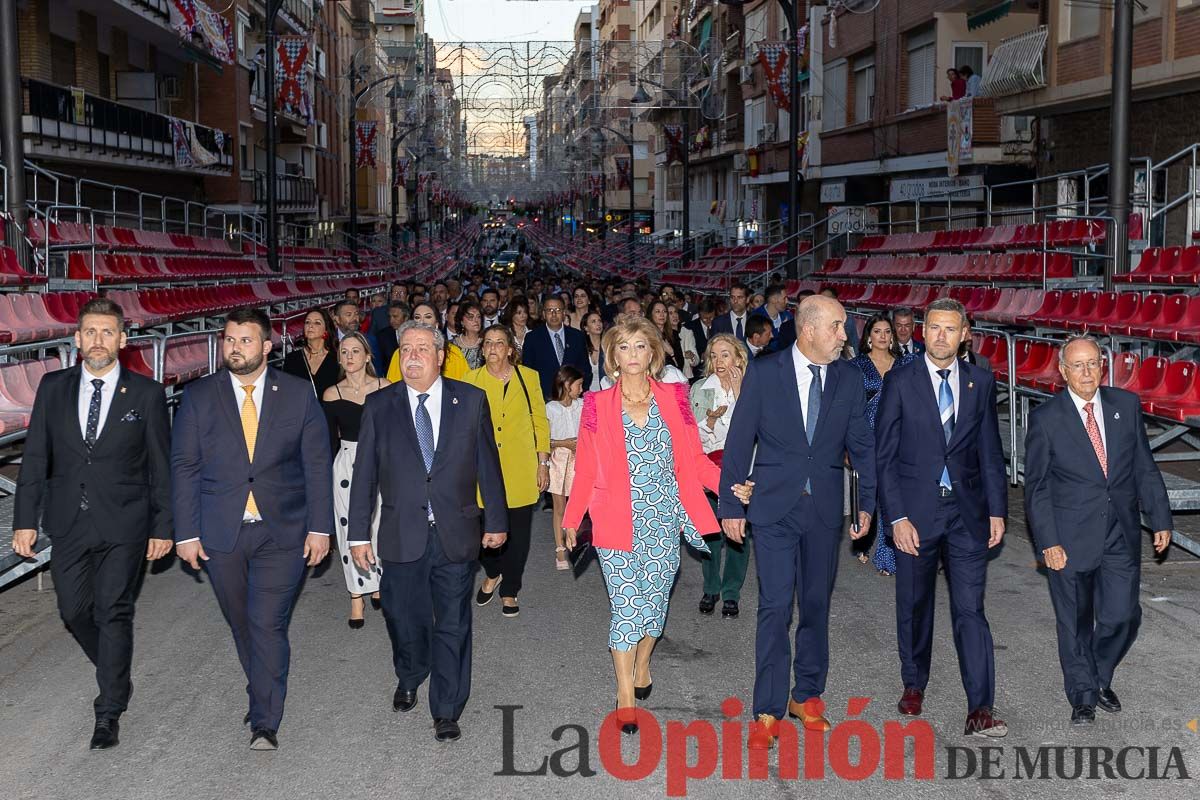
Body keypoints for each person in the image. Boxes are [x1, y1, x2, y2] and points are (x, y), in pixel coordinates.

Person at [563, 317, 752, 735]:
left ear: (653, 354)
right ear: (613, 356)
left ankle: (644, 661)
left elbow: (694, 461)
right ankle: (625, 696)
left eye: (640, 347)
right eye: (624, 347)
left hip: (665, 518)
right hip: (616, 520)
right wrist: (572, 518)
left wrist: (731, 487)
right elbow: (586, 469)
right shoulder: (596, 405)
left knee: (655, 605)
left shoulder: (675, 397)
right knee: (626, 607)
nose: (632, 355)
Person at [12, 299, 172, 751]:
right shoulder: (52, 387)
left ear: (123, 340)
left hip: (125, 521)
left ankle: (109, 709)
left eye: (107, 332)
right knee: (73, 611)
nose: (98, 340)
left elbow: (161, 467)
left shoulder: (146, 394)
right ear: (77, 339)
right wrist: (25, 520)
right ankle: (114, 670)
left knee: (112, 609)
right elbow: (36, 456)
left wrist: (163, 526)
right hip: (67, 521)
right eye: (90, 332)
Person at [172, 308, 333, 751]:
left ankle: (265, 719)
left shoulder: (298, 394)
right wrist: (185, 532)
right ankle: (260, 684)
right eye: (229, 340)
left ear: (267, 346)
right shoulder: (200, 396)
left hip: (282, 530)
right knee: (242, 622)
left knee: (267, 622)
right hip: (221, 531)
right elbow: (184, 465)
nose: (236, 348)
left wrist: (320, 527)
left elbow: (316, 464)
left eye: (245, 340)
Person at [719, 294, 876, 748]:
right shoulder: (766, 372)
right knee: (773, 607)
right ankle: (767, 708)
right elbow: (739, 441)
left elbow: (862, 445)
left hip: (824, 510)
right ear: (808, 329)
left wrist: (867, 503)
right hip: (772, 507)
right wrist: (731, 507)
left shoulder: (849, 377)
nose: (846, 335)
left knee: (816, 606)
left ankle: (805, 695)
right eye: (838, 326)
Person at [347, 321, 507, 744]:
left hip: (454, 532)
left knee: (453, 622)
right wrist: (357, 533)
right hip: (400, 533)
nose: (413, 355)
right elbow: (364, 474)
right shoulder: (380, 405)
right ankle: (411, 672)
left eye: (423, 348)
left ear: (440, 356)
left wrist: (496, 522)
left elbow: (487, 463)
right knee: (403, 617)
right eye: (405, 348)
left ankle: (447, 708)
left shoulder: (470, 400)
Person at [875, 298, 1008, 738]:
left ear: (964, 333)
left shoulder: (981, 383)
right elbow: (886, 457)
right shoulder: (900, 380)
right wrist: (897, 518)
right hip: (916, 514)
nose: (941, 336)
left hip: (967, 514)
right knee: (914, 605)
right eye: (934, 328)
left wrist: (997, 510)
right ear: (922, 331)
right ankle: (914, 682)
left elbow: (990, 452)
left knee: (971, 609)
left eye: (950, 329)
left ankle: (981, 706)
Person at [1024, 335, 1171, 726]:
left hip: (1120, 531)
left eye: (1093, 363)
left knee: (1123, 615)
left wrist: (1160, 517)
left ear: (1102, 367)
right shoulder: (1046, 419)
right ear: (1063, 370)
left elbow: (1143, 465)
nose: (1087, 372)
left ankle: (1098, 674)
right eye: (1078, 365)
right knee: (1074, 622)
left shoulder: (1125, 406)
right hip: (1068, 537)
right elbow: (1036, 488)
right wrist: (1047, 542)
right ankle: (1083, 695)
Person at [464, 326, 550, 618]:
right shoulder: (470, 380)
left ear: (510, 349)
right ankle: (493, 571)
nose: (492, 348)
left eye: (499, 343)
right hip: (480, 469)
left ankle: (510, 588)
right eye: (488, 343)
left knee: (518, 534)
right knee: (477, 531)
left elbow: (540, 421)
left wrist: (542, 462)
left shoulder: (529, 378)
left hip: (521, 467)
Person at [323, 332, 389, 629]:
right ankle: (355, 596)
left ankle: (376, 582)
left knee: (377, 525)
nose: (349, 357)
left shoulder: (385, 388)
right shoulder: (331, 394)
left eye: (355, 351)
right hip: (347, 465)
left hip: (380, 461)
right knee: (349, 528)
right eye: (344, 352)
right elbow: (327, 441)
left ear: (368, 356)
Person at [690, 334, 750, 618]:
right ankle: (711, 587)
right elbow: (693, 437)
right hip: (709, 468)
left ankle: (731, 593)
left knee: (738, 533)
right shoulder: (702, 388)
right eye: (714, 355)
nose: (719, 361)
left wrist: (739, 390)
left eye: (725, 354)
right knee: (710, 529)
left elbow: (755, 428)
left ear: (738, 358)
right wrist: (711, 419)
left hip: (742, 469)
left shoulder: (752, 387)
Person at [849, 315, 915, 576]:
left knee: (891, 491)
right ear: (868, 336)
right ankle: (863, 539)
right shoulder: (857, 366)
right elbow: (851, 408)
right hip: (867, 436)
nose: (884, 336)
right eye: (877, 331)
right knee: (869, 489)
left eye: (888, 331)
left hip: (898, 436)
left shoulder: (904, 365)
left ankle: (888, 552)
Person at [546, 365, 584, 571]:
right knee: (559, 506)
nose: (581, 389)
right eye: (578, 385)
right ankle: (560, 547)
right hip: (559, 460)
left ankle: (577, 541)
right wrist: (564, 443)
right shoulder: (550, 409)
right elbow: (543, 441)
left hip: (581, 459)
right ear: (567, 385)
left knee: (579, 504)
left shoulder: (583, 405)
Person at [522, 295, 592, 400]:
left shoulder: (577, 336)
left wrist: (578, 392)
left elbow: (585, 369)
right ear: (543, 314)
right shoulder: (532, 338)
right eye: (549, 310)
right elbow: (527, 371)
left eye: (558, 310)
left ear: (564, 313)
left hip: (573, 399)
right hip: (544, 400)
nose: (554, 314)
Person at [386, 303, 470, 382]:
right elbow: (393, 390)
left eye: (428, 317)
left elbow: (465, 386)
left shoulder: (453, 352)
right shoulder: (401, 353)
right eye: (417, 317)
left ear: (437, 324)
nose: (422, 321)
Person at [282, 308, 341, 400]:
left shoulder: (337, 359)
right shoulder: (292, 359)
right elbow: (285, 392)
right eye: (307, 322)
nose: (310, 326)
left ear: (326, 329)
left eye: (317, 323)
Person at [333, 300, 383, 374]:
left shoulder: (370, 340)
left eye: (356, 314)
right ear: (337, 319)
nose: (354, 318)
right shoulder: (329, 341)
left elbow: (377, 371)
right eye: (348, 315)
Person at [755, 284, 795, 353]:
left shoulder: (788, 316)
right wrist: (782, 329)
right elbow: (760, 340)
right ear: (773, 300)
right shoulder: (756, 316)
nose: (787, 301)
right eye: (784, 298)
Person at [684, 298, 716, 378]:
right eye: (704, 318)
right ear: (699, 314)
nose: (708, 321)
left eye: (711, 317)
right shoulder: (690, 327)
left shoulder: (720, 325)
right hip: (697, 373)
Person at [649, 300, 684, 370]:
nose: (662, 315)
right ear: (651, 314)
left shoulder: (673, 334)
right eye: (657, 311)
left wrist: (671, 353)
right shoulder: (647, 334)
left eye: (664, 311)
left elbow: (681, 363)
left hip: (672, 374)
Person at [377, 301, 410, 372]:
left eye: (395, 316)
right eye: (389, 317)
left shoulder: (415, 333)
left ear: (406, 317)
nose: (391, 320)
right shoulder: (383, 335)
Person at [453, 302, 485, 371]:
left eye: (478, 317)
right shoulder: (452, 345)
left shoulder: (486, 343)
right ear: (462, 322)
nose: (476, 320)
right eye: (471, 317)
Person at [583, 310, 606, 392]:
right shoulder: (582, 349)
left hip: (606, 393)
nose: (598, 324)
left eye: (599, 321)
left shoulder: (607, 347)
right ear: (586, 328)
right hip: (586, 395)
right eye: (593, 321)